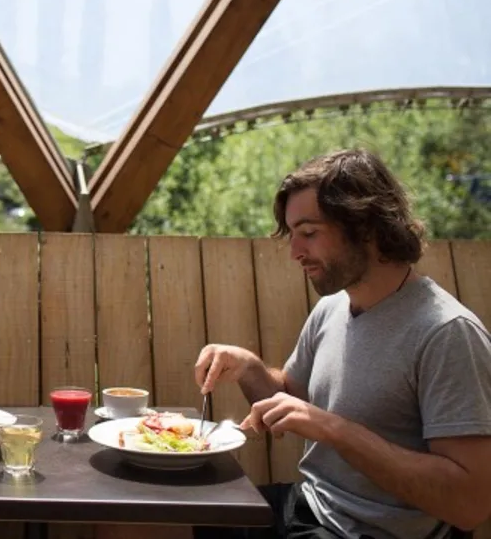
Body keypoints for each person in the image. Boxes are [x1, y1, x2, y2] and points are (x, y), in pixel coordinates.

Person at [193, 149, 491, 539]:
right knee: (183, 516)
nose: (295, 252)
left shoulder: (446, 332)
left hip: (374, 532)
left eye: (309, 233)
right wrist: (249, 367)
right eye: (292, 235)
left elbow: (469, 504)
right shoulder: (333, 308)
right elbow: (292, 401)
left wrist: (335, 430)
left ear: (365, 227)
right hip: (313, 506)